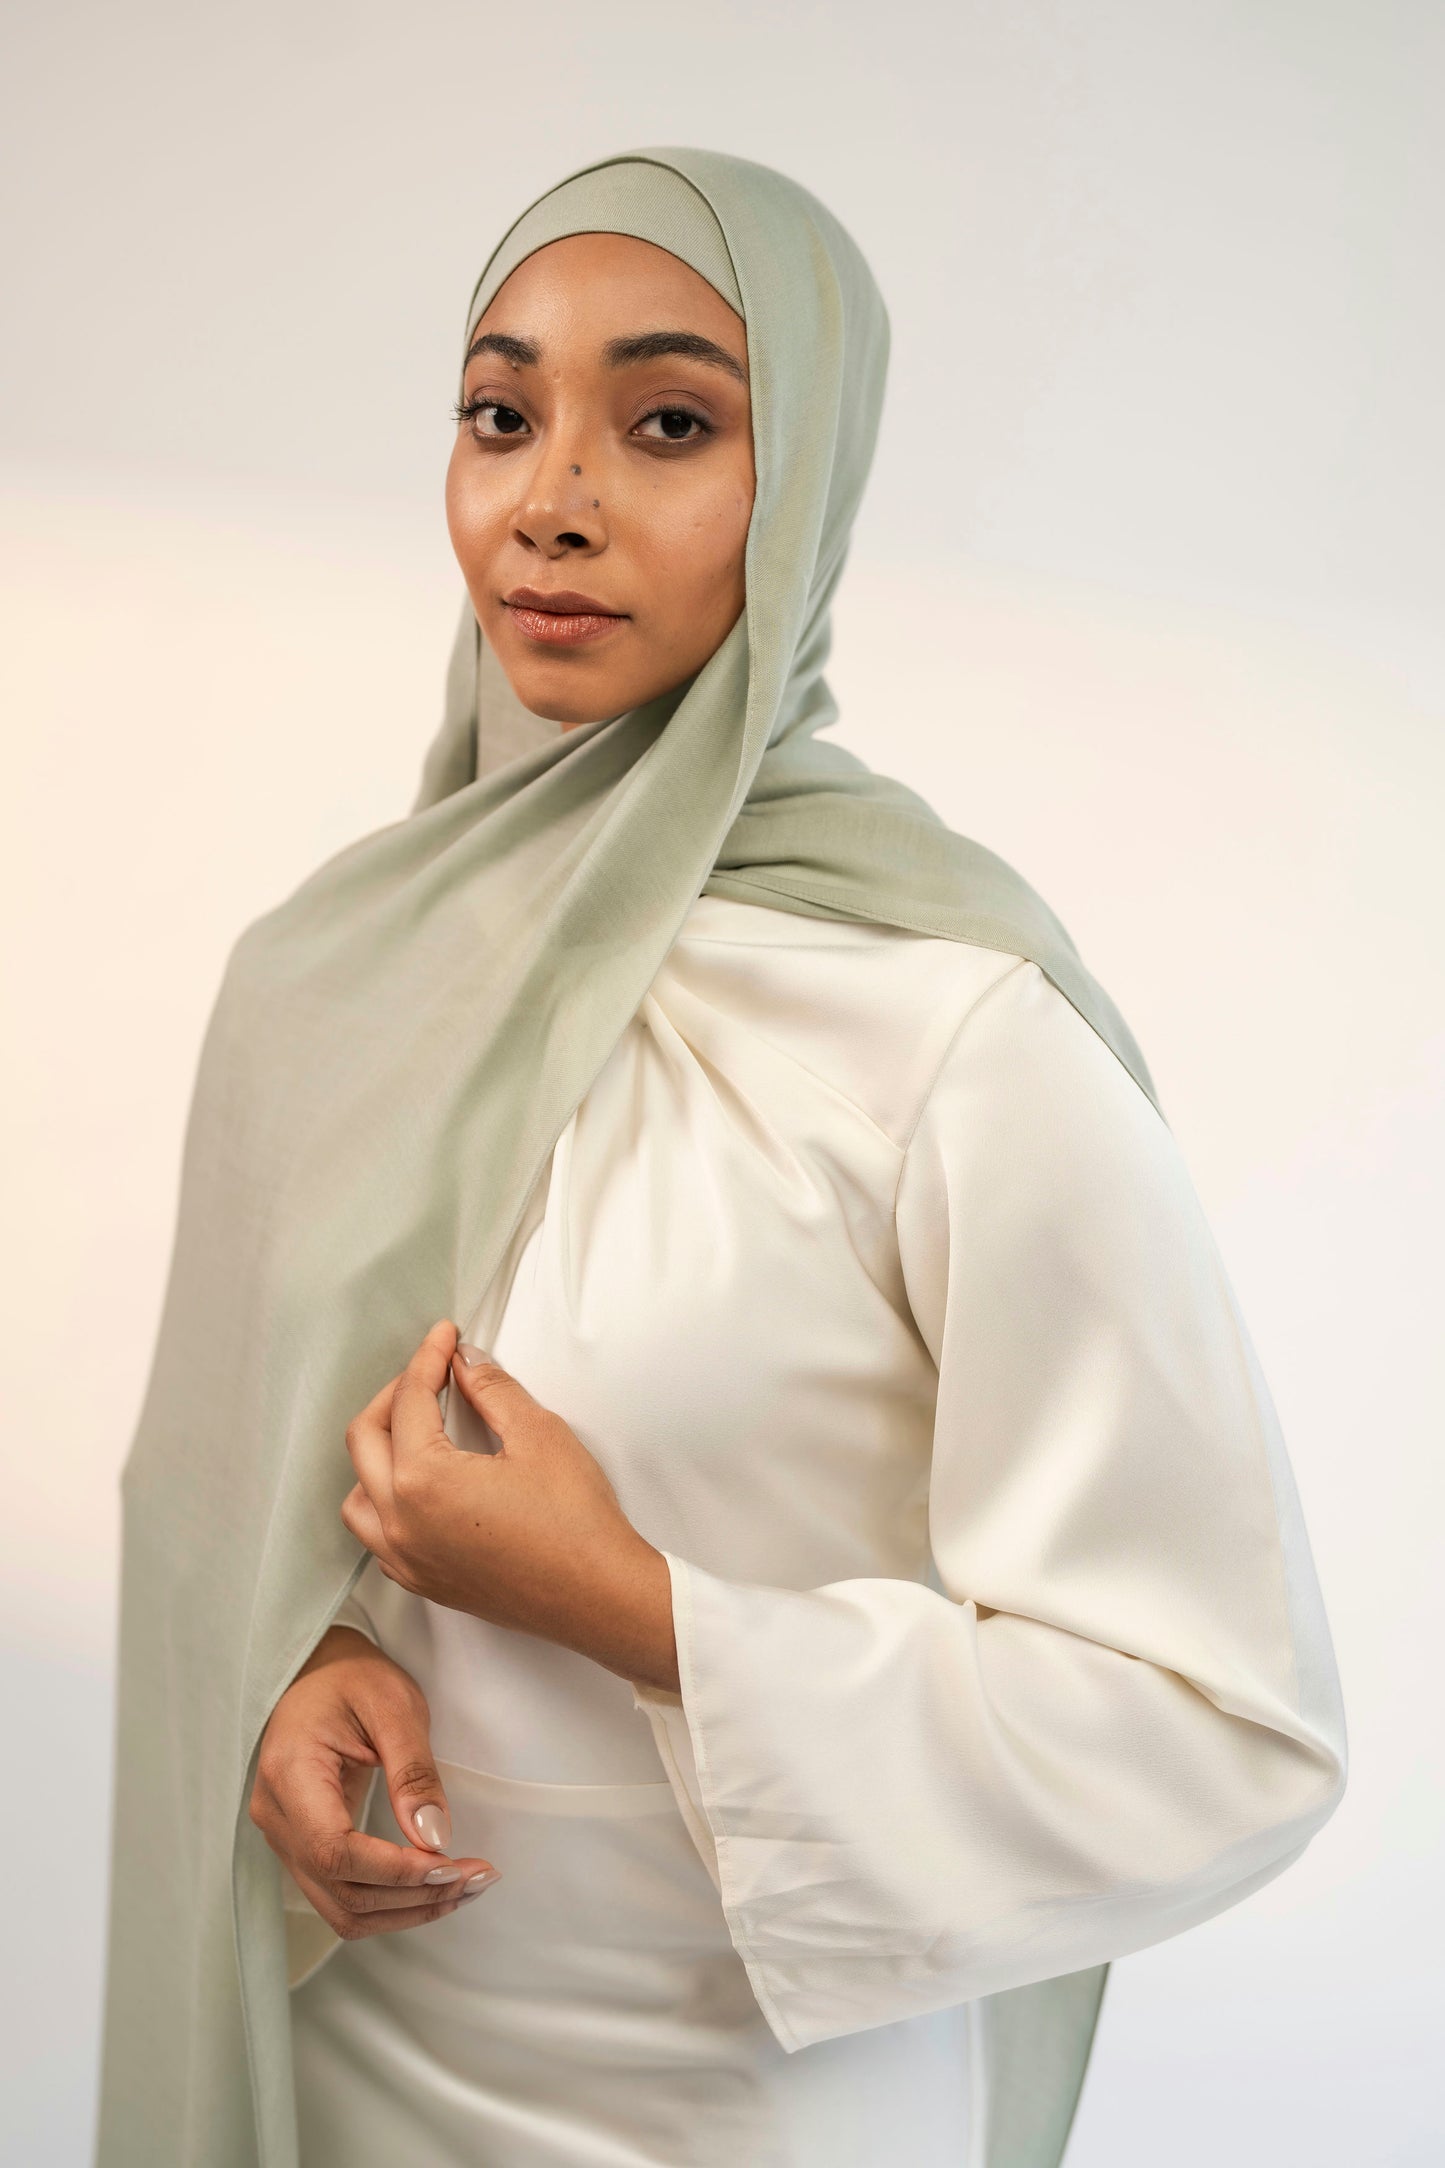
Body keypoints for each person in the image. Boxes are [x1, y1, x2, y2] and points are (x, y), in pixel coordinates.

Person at [95, 148, 1346, 2168]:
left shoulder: (949, 1033)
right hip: (354, 2081)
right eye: (502, 416)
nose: (552, 499)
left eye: (668, 424)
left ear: (810, 492)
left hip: (754, 2116)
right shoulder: (324, 984)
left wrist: (638, 1607)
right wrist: (298, 1661)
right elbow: (213, 1503)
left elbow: (1226, 1733)